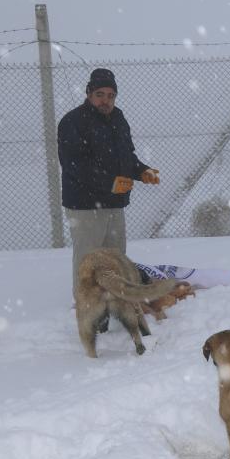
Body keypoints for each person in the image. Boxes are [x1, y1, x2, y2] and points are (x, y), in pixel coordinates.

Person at [57, 68, 160, 292]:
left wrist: (142, 171)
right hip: (85, 205)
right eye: (100, 94)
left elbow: (126, 156)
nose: (106, 100)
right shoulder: (73, 121)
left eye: (111, 95)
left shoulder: (118, 118)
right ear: (89, 93)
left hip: (114, 202)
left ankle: (116, 299)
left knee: (116, 257)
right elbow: (75, 165)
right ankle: (86, 304)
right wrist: (111, 183)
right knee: (89, 258)